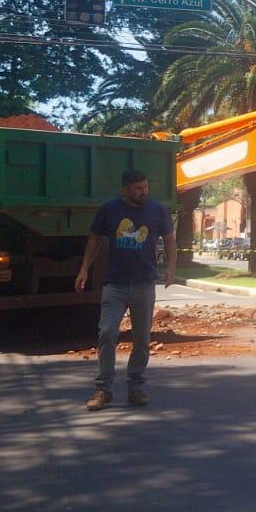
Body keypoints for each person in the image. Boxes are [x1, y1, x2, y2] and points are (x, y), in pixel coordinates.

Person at [76, 169, 176, 411]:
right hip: (115, 285)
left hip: (144, 284)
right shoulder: (109, 210)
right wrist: (84, 269)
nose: (144, 191)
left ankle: (136, 387)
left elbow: (171, 239)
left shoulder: (157, 210)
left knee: (142, 339)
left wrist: (171, 267)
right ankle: (103, 389)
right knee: (107, 333)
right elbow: (94, 240)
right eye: (138, 188)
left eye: (145, 186)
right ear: (125, 190)